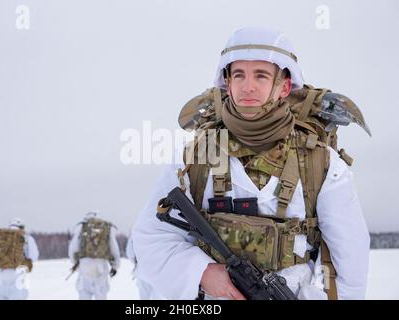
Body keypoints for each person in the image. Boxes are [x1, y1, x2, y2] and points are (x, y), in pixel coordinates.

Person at [132, 26, 370, 300]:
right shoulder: (195, 158)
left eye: (261, 75)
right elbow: (151, 237)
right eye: (239, 75)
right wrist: (202, 272)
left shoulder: (322, 163)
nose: (248, 86)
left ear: (284, 86)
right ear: (227, 83)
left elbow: (348, 261)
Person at [0, 217, 39, 300]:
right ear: (22, 227)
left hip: (0, 281)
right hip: (17, 282)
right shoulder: (27, 238)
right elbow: (34, 257)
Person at [68, 211, 121, 300]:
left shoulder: (82, 227)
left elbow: (73, 248)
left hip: (85, 264)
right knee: (101, 293)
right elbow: (114, 248)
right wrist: (115, 266)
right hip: (101, 265)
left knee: (84, 292)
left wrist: (76, 263)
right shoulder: (105, 227)